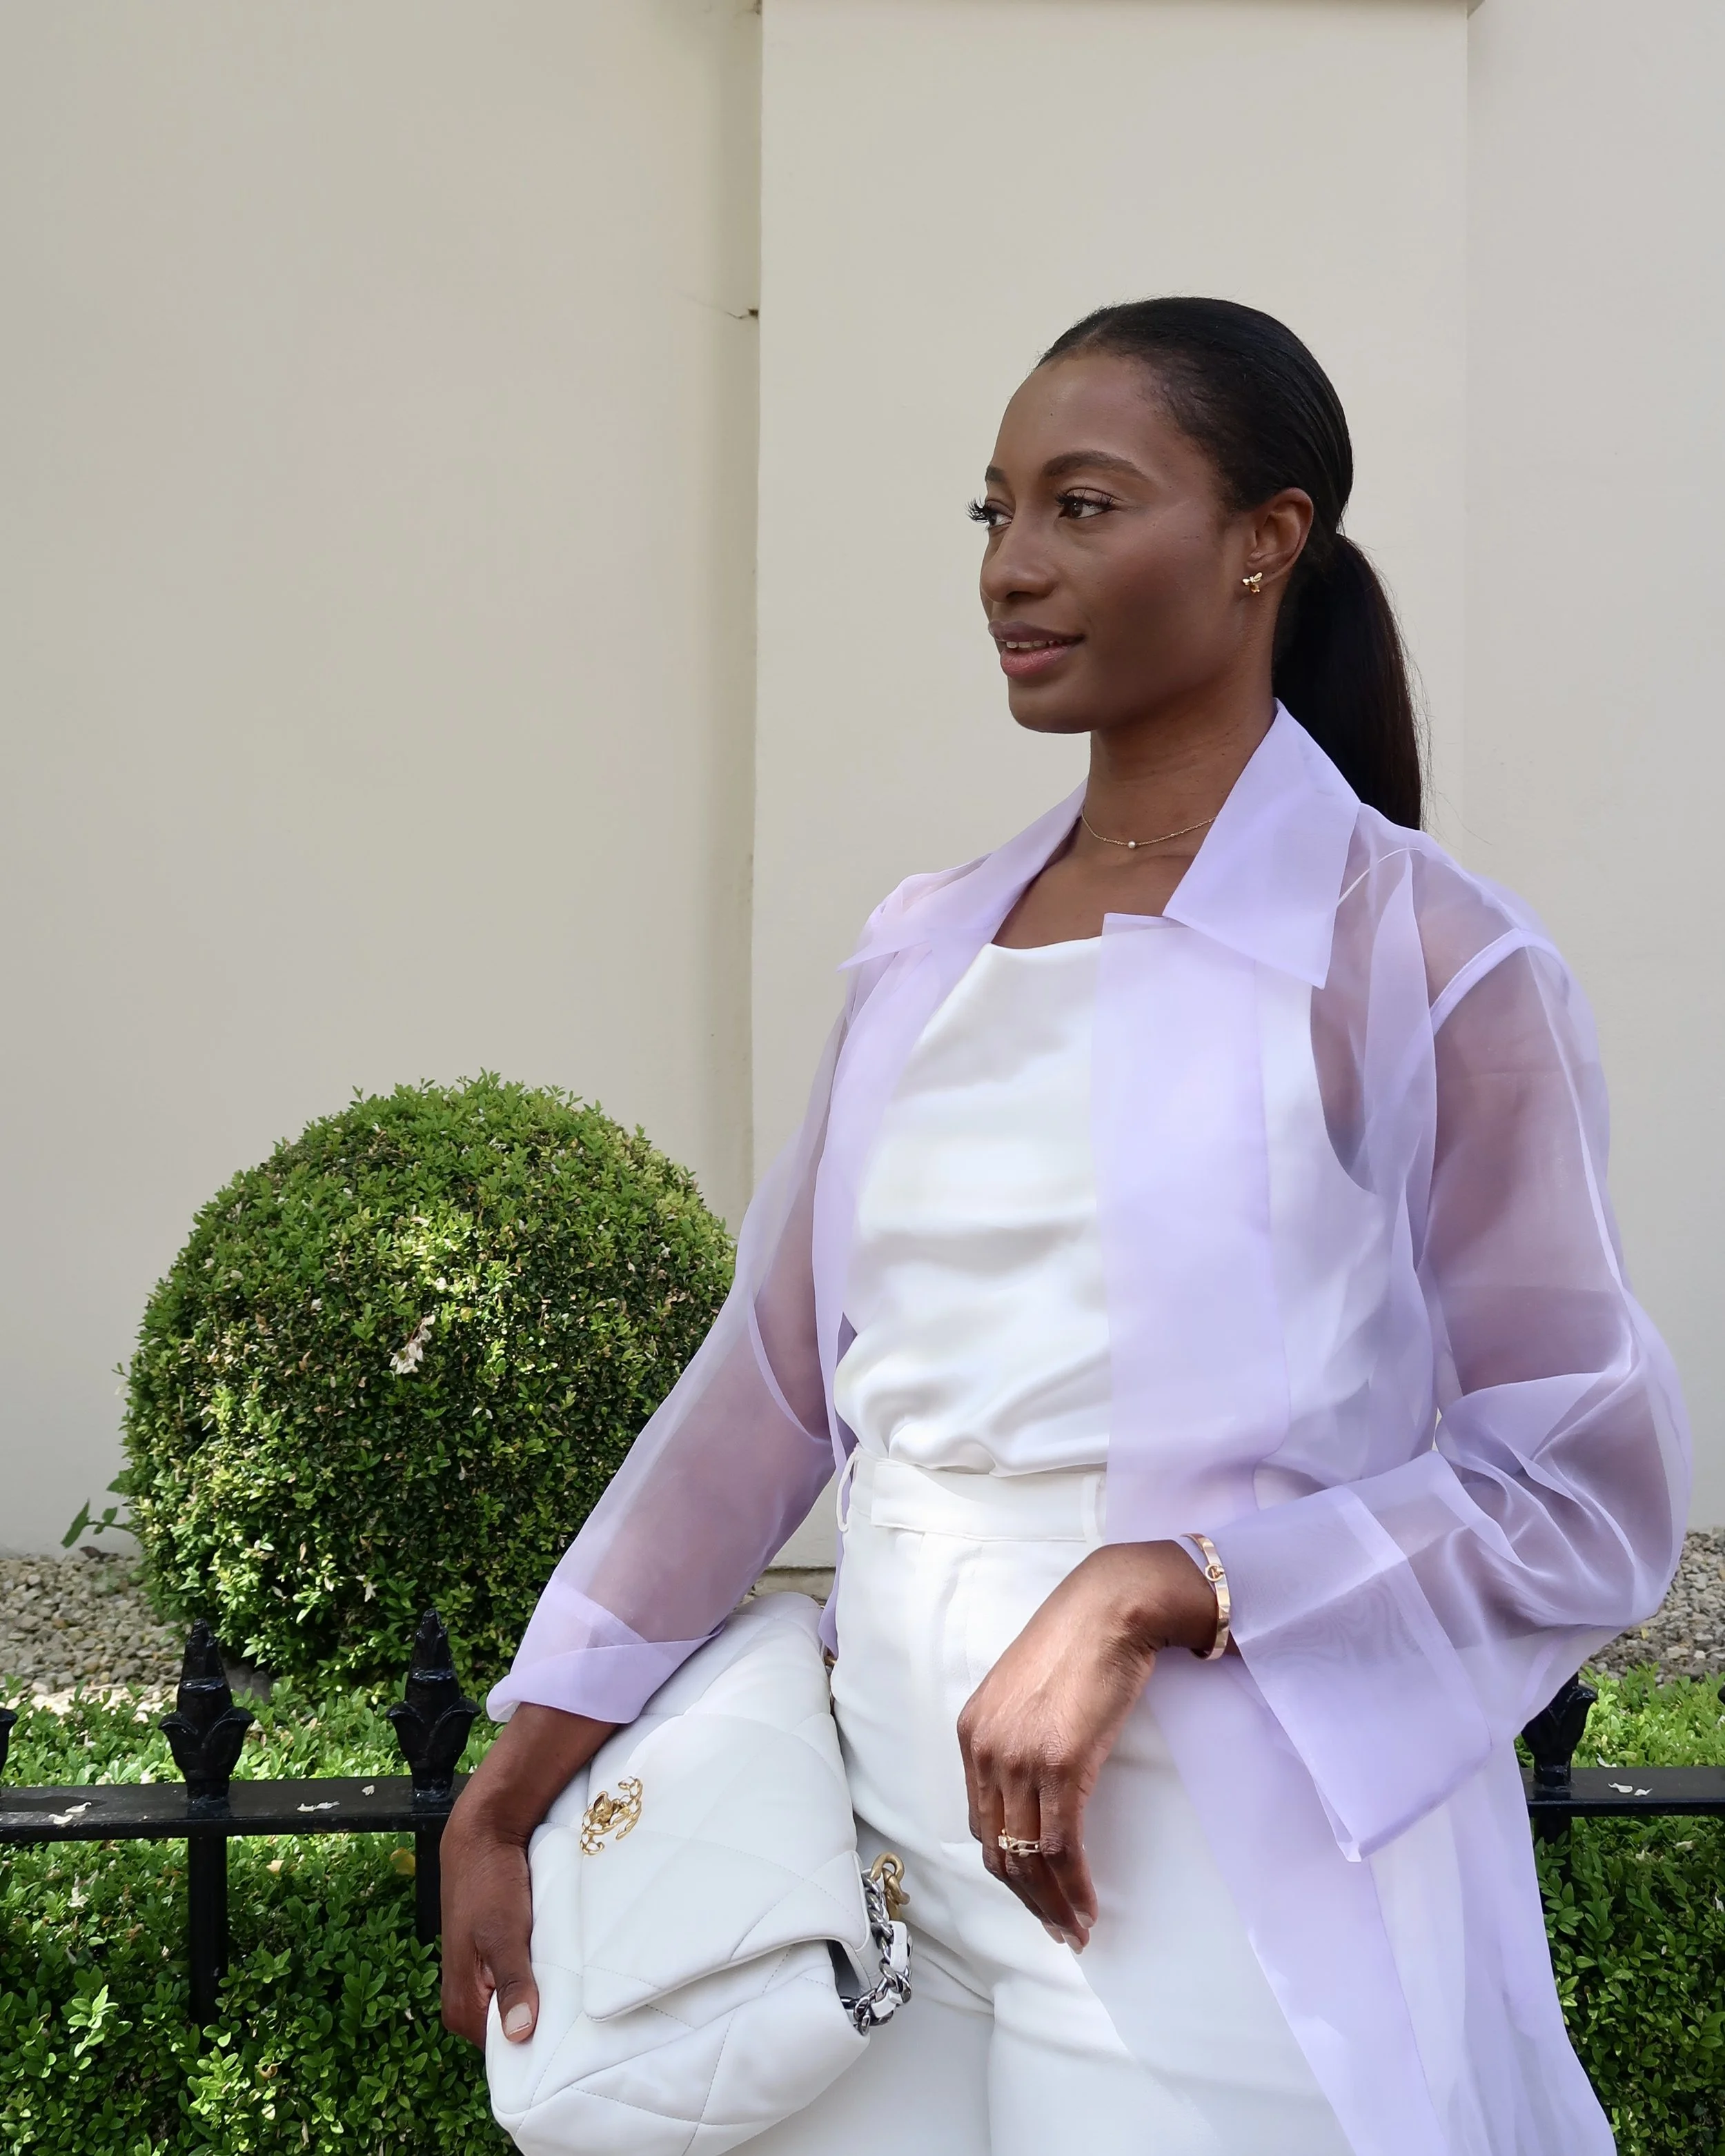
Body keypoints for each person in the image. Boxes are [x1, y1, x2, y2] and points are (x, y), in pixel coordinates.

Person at [439, 297, 1688, 2156]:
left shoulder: (1423, 958)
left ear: (1265, 540)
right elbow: (768, 1397)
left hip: (1218, 1852)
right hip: (874, 1837)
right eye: (996, 510)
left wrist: (1153, 1585)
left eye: (1083, 507)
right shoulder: (925, 944)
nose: (1012, 566)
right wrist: (519, 1768)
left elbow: (1578, 1484)